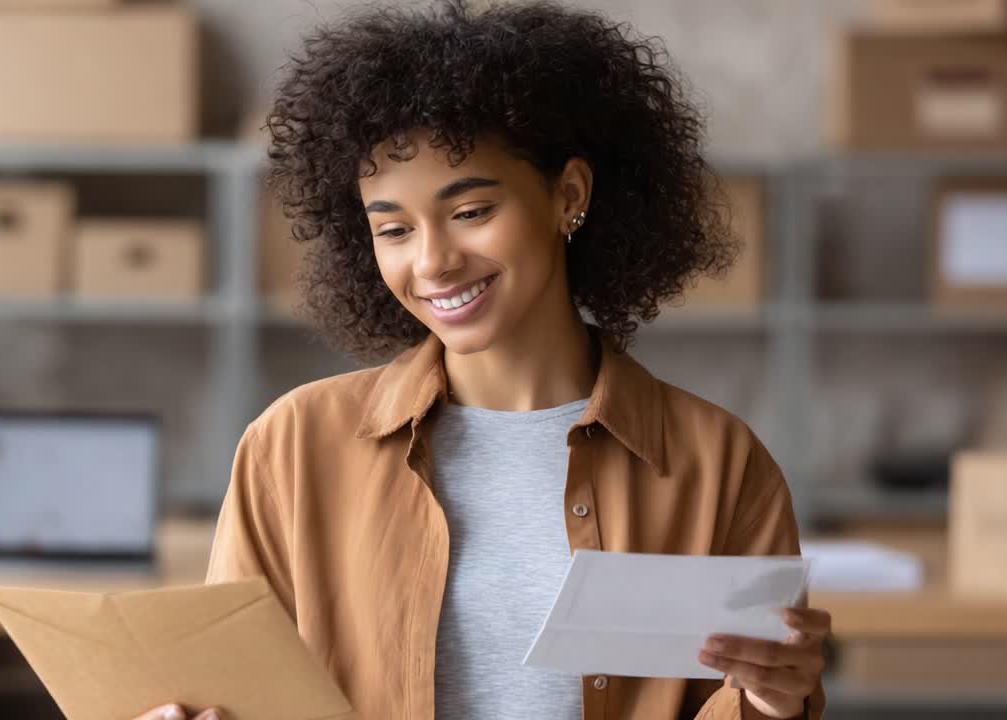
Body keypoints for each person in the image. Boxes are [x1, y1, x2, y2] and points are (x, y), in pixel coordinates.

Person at [138, 1, 829, 719]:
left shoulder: (717, 463)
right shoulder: (290, 448)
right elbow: (236, 693)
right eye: (395, 229)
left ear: (569, 196)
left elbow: (747, 695)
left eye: (470, 212)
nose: (432, 261)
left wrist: (773, 703)